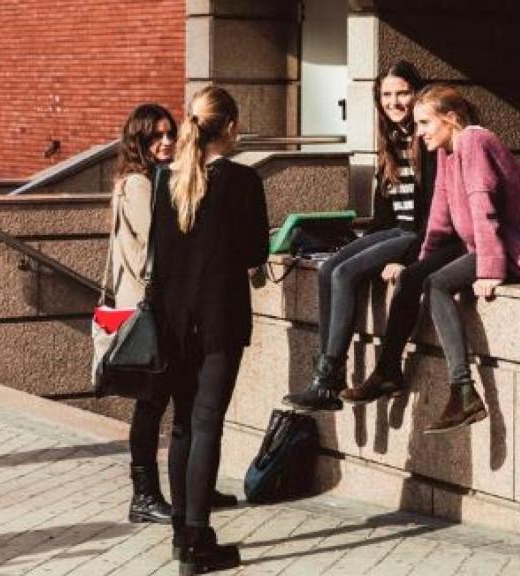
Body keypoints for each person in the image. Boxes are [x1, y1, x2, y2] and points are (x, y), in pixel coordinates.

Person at [281, 60, 456, 411]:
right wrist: (359, 245)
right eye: (386, 95)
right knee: (330, 266)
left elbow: (437, 212)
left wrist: (405, 258)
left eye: (402, 93)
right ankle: (327, 378)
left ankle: (328, 379)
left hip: (418, 234)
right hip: (396, 228)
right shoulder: (391, 138)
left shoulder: (429, 137)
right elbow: (384, 214)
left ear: (417, 93)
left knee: (346, 274)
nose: (394, 102)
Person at [152, 86, 268, 574]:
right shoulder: (242, 181)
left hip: (173, 321)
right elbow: (255, 253)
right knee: (206, 425)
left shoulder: (166, 179)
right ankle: (199, 541)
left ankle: (182, 533)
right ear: (232, 127)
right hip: (220, 318)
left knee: (181, 425)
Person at [110, 104, 237, 528]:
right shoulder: (140, 185)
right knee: (154, 403)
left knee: (174, 405)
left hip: (165, 305)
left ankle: (191, 490)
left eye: (169, 133)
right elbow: (157, 248)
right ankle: (145, 494)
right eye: (154, 137)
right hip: (150, 309)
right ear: (139, 143)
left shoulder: (162, 179)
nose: (165, 142)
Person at [411, 84, 520, 434]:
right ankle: (462, 393)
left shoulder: (474, 142)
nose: (419, 133)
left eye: (425, 123)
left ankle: (463, 392)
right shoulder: (448, 151)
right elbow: (440, 215)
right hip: (493, 249)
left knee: (438, 286)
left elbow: (484, 207)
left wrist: (490, 270)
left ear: (451, 118)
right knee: (429, 280)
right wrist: (422, 261)